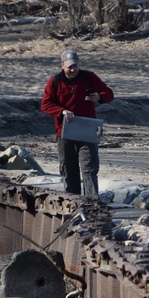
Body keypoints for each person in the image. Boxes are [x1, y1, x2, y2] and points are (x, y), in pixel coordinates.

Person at [40, 49, 114, 198]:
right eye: (69, 67)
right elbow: (45, 104)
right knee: (68, 169)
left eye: (75, 66)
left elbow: (109, 94)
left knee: (89, 168)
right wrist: (62, 111)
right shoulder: (55, 81)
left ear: (79, 65)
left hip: (87, 131)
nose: (73, 70)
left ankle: (92, 202)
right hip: (65, 133)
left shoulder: (89, 77)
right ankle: (73, 203)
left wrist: (99, 97)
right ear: (62, 66)